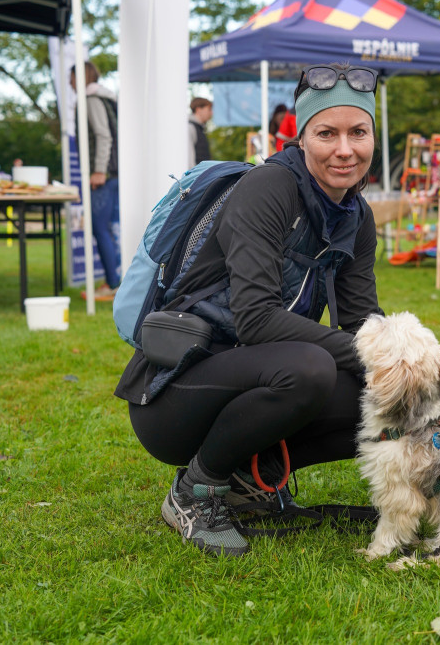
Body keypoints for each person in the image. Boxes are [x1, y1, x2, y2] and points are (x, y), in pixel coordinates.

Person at [114, 63, 383, 557]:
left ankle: (248, 482)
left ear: (372, 136)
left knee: (389, 389)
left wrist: (406, 364)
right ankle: (195, 491)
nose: (345, 149)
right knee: (313, 367)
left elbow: (362, 317)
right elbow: (257, 318)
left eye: (358, 132)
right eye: (327, 133)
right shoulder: (269, 188)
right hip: (176, 394)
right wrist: (381, 351)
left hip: (258, 378)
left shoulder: (357, 215)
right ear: (302, 138)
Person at [71, 61, 121, 300]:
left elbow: (103, 135)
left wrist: (99, 169)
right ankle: (114, 282)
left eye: (72, 77)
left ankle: (112, 284)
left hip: (104, 175)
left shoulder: (91, 100)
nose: (70, 83)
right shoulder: (108, 98)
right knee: (108, 229)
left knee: (100, 228)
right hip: (115, 173)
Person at [188, 97, 213, 166]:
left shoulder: (200, 129)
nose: (211, 113)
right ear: (198, 110)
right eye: (209, 109)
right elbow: (189, 156)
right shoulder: (190, 127)